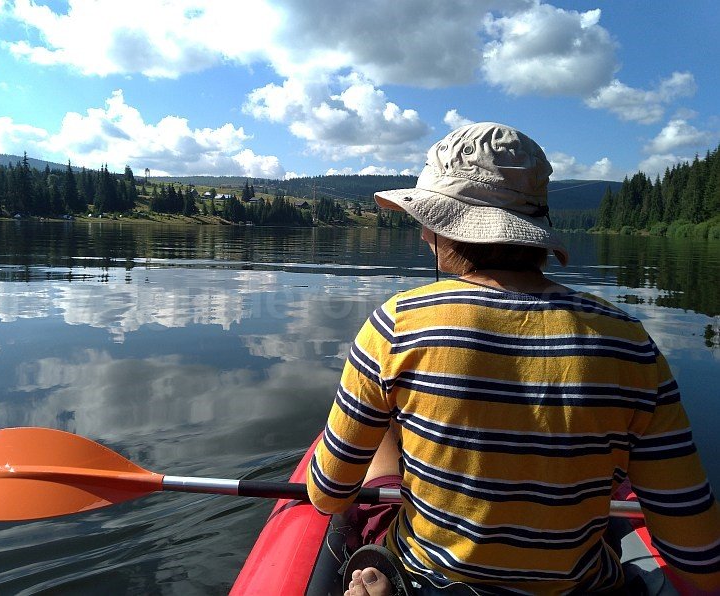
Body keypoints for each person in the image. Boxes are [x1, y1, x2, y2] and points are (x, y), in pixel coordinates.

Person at [306, 122, 720, 595]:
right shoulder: (631, 342)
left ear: (447, 226)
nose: (423, 236)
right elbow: (698, 553)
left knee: (384, 429)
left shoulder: (398, 324)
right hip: (584, 588)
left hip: (429, 585)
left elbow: (327, 493)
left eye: (428, 220)